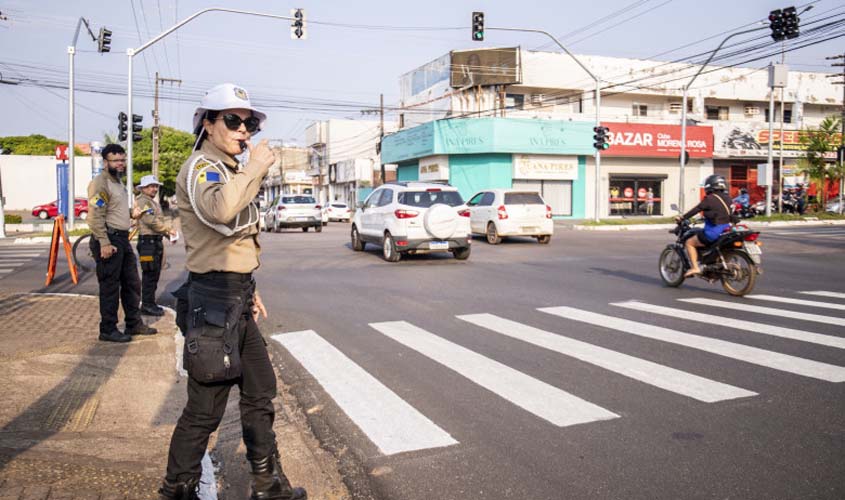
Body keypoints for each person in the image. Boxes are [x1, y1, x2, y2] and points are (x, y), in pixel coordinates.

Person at [158, 83, 306, 500]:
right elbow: (221, 210)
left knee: (260, 393)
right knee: (204, 411)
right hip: (213, 302)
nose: (245, 131)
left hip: (235, 297)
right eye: (233, 121)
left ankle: (268, 485)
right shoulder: (202, 167)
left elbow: (235, 242)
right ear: (207, 123)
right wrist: (255, 166)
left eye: (250, 124)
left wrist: (250, 288)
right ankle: (177, 490)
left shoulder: (226, 168)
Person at [87, 143, 157, 343]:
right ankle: (107, 329)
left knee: (132, 283)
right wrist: (104, 243)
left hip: (122, 239)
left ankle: (133, 324)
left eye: (122, 160)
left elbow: (114, 210)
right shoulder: (100, 183)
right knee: (110, 287)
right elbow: (95, 216)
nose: (120, 164)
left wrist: (131, 214)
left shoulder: (118, 183)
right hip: (110, 239)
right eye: (116, 160)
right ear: (105, 161)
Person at [134, 175, 178, 316]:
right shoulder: (143, 202)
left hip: (154, 242)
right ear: (143, 188)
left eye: (155, 186)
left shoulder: (152, 202)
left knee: (154, 274)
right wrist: (167, 230)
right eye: (151, 186)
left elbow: (157, 222)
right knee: (149, 275)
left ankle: (150, 303)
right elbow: (151, 221)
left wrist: (168, 235)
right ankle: (147, 304)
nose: (154, 189)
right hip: (147, 243)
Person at [675, 174, 733, 278]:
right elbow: (719, 213)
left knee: (689, 243)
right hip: (726, 230)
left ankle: (695, 267)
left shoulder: (709, 199)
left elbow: (696, 209)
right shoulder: (728, 198)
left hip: (714, 232)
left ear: (710, 186)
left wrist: (682, 217)